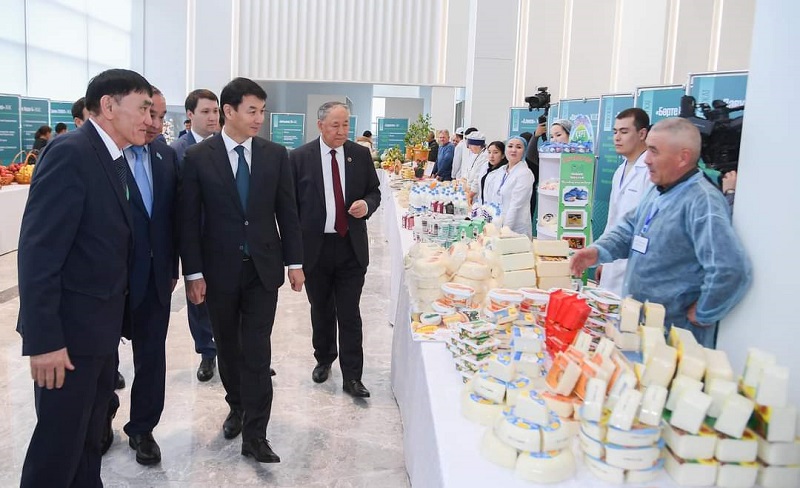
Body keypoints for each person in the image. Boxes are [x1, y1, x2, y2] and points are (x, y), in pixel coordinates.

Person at [17, 68, 152, 488]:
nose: (149, 119)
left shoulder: (112, 157)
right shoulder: (71, 152)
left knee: (88, 441)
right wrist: (45, 341)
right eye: (142, 108)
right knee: (57, 449)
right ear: (109, 106)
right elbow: (39, 252)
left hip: (98, 332)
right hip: (67, 338)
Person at [179, 77, 304, 463]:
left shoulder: (275, 155)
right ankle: (236, 405)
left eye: (262, 111)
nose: (259, 119)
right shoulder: (199, 157)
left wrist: (295, 262)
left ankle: (256, 433)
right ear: (228, 111)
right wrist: (193, 273)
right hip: (219, 271)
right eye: (252, 111)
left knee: (257, 350)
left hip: (262, 269)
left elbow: (287, 212)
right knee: (229, 348)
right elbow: (188, 221)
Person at [570, 118, 751, 348]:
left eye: (654, 151)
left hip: (673, 338)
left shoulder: (702, 202)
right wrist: (597, 252)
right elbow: (628, 229)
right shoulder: (658, 191)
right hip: (639, 327)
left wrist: (704, 311)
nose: (646, 159)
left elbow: (731, 269)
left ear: (683, 157)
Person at [103, 87, 179, 465]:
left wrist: (173, 268)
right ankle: (102, 416)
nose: (154, 124)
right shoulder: (106, 157)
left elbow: (173, 218)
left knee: (151, 355)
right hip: (111, 280)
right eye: (149, 114)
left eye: (161, 116)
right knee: (103, 355)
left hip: (155, 277)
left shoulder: (166, 156)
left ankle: (143, 428)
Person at [289, 101, 381, 398]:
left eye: (346, 125)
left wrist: (366, 205)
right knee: (321, 309)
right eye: (335, 125)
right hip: (315, 248)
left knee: (349, 312)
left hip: (350, 247)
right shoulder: (299, 158)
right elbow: (290, 208)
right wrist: (293, 258)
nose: (342, 131)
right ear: (320, 126)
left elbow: (374, 191)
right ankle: (324, 357)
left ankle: (353, 376)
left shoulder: (359, 155)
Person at [171, 88, 220, 382]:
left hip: (224, 238)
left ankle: (240, 352)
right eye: (205, 112)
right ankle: (207, 351)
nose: (213, 117)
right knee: (198, 299)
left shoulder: (226, 146)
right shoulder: (178, 151)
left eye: (215, 111)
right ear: (190, 115)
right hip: (195, 240)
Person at [595, 108, 652, 296]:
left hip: (634, 265)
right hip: (613, 261)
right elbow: (612, 220)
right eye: (615, 132)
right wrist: (603, 259)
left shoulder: (650, 172)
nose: (617, 138)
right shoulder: (620, 170)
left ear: (642, 134)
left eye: (624, 132)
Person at [483, 135, 535, 236]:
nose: (513, 150)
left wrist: (505, 230)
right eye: (510, 146)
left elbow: (516, 205)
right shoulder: (501, 171)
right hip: (497, 224)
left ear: (524, 151)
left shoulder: (525, 173)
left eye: (518, 147)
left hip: (515, 229)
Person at [463, 131, 488, 203]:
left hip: (476, 194)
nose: (469, 147)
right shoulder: (476, 154)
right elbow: (470, 170)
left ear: (478, 145)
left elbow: (477, 177)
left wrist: (470, 195)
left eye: (470, 145)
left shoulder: (484, 157)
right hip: (470, 190)